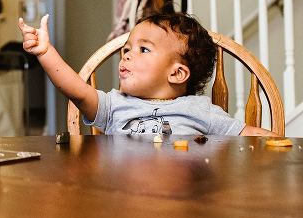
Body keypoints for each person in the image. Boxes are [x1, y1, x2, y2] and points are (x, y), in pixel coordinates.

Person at [18, 11, 274, 136]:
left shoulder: (200, 110)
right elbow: (75, 89)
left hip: (183, 204)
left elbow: (250, 137)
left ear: (177, 73)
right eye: (127, 48)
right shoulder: (114, 105)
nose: (127, 55)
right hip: (124, 198)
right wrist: (46, 52)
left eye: (143, 49)